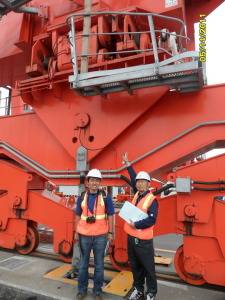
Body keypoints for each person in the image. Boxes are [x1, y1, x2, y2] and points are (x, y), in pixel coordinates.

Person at [122, 153, 158, 300]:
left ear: (148, 184)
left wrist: (135, 224)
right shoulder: (137, 194)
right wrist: (128, 165)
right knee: (135, 267)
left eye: (143, 182)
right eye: (138, 182)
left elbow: (152, 220)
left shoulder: (152, 200)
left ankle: (151, 293)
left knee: (148, 268)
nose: (140, 184)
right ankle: (138, 289)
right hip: (131, 239)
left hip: (143, 242)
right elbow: (133, 178)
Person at [75, 168, 115, 300]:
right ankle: (82, 290)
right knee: (83, 264)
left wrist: (110, 232)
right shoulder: (82, 196)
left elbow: (110, 215)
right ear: (87, 182)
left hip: (100, 236)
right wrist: (76, 232)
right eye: (92, 180)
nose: (94, 183)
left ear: (99, 183)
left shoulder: (105, 197)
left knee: (99, 265)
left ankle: (97, 291)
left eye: (97, 180)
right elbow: (77, 215)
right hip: (84, 235)